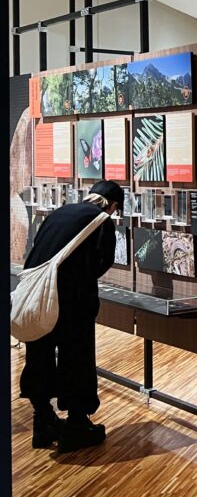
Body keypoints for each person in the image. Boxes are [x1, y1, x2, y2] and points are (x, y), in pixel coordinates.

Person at [19, 180, 121, 452]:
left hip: (38, 296)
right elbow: (101, 263)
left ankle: (43, 421)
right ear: (113, 205)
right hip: (73, 302)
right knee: (77, 359)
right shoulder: (102, 221)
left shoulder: (60, 212)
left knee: (39, 355)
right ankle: (77, 425)